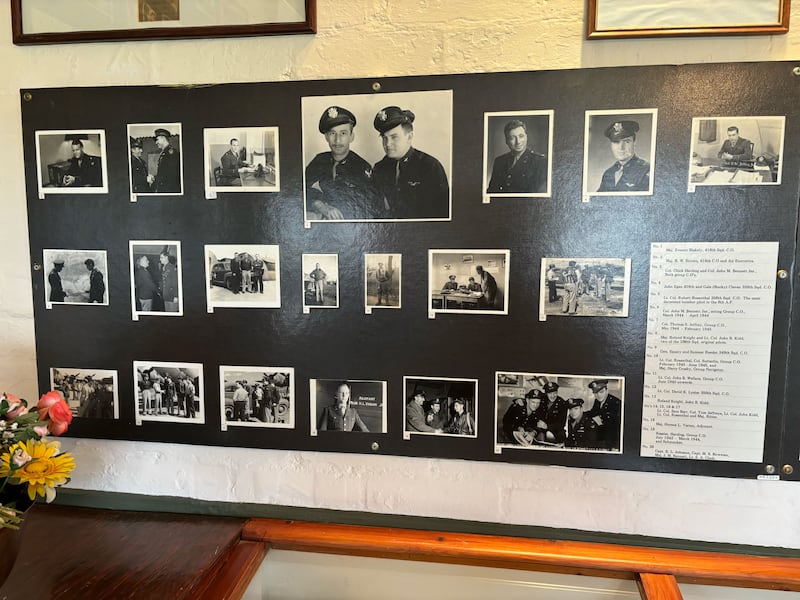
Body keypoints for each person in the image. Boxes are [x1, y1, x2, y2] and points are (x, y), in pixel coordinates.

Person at [372, 106, 449, 219]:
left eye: (394, 137)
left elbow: (442, 214)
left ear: (409, 137)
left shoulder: (429, 167)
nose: (387, 144)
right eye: (384, 138)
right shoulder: (379, 168)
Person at [306, 106, 379, 220]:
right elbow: (298, 190)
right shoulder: (318, 161)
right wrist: (319, 205)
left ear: (351, 136)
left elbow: (368, 207)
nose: (337, 140)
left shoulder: (362, 167)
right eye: (332, 133)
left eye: (343, 133)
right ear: (326, 137)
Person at [487, 119, 547, 194]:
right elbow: (491, 192)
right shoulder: (499, 161)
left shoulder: (540, 161)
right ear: (506, 141)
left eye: (521, 136)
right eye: (512, 138)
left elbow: (540, 195)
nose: (518, 142)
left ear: (526, 137)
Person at [596, 120, 649, 193]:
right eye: (616, 142)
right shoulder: (608, 173)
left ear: (634, 143)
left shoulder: (646, 170)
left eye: (627, 141)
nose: (621, 148)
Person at [585, 379, 622, 451]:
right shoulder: (597, 401)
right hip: (601, 438)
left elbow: (616, 427)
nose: (598, 395)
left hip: (612, 441)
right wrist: (580, 414)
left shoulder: (616, 403)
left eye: (601, 392)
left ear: (607, 390)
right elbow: (593, 412)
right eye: (595, 393)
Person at [151, 128, 181, 193]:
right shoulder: (165, 152)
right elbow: (164, 172)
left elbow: (171, 175)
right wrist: (154, 178)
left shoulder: (171, 153)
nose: (156, 143)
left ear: (163, 138)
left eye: (157, 140)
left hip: (169, 189)